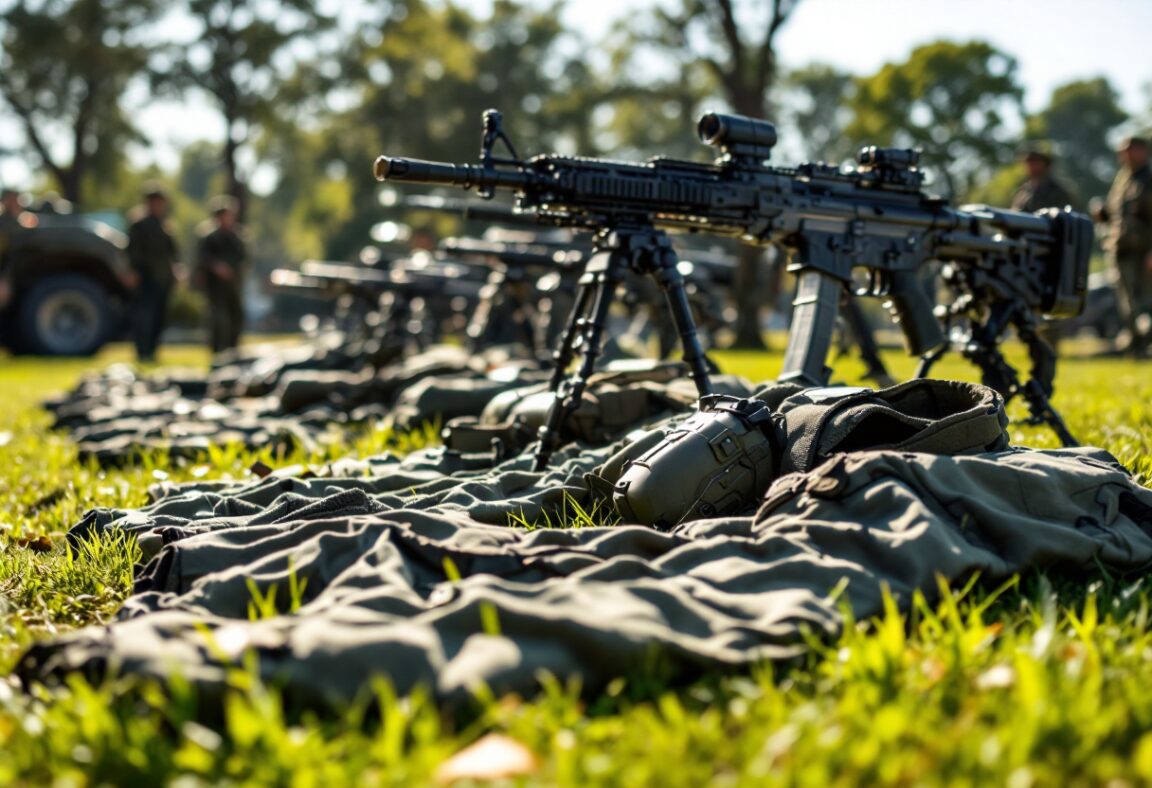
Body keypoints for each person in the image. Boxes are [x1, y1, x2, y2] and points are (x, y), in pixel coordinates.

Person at [1093, 136, 1152, 357]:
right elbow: (1117, 214)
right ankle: (1136, 347)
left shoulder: (1148, 179)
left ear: (1143, 151)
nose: (1127, 155)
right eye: (1123, 151)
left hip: (1143, 253)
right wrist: (1103, 213)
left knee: (1146, 303)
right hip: (1122, 251)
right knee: (1128, 304)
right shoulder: (1124, 179)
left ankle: (1145, 345)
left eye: (1132, 150)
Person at [125, 185, 180, 363]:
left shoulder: (166, 225)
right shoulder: (139, 224)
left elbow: (173, 253)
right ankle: (143, 351)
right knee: (144, 316)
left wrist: (176, 270)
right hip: (145, 276)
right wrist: (133, 271)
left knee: (159, 317)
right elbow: (132, 251)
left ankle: (153, 351)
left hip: (163, 278)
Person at [195, 195, 247, 354]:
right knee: (218, 319)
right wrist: (216, 267)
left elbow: (243, 258)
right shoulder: (209, 237)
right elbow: (202, 258)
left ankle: (233, 350)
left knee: (236, 317)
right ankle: (217, 351)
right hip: (215, 287)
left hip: (233, 285)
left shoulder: (237, 236)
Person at [1010, 145, 1076, 213]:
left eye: (1035, 162)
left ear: (1045, 164)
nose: (1031, 166)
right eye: (1028, 162)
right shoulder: (1022, 191)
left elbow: (1065, 217)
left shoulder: (1058, 191)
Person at [0, 188, 34, 311]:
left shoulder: (24, 219)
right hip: (8, 273)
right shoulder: (4, 223)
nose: (15, 202)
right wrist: (5, 278)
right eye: (11, 199)